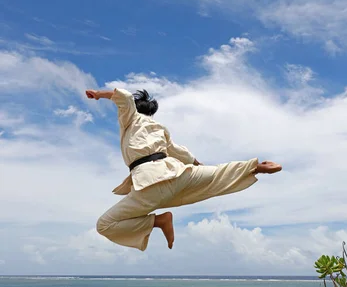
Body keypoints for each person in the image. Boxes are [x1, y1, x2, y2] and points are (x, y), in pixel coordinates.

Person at [86, 87, 282, 252]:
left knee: (104, 225)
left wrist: (98, 94)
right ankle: (256, 167)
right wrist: (200, 169)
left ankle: (159, 221)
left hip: (149, 183)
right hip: (179, 174)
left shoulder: (130, 118)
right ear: (152, 113)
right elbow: (181, 152)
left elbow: (126, 98)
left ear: (133, 110)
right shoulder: (160, 128)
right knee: (217, 174)